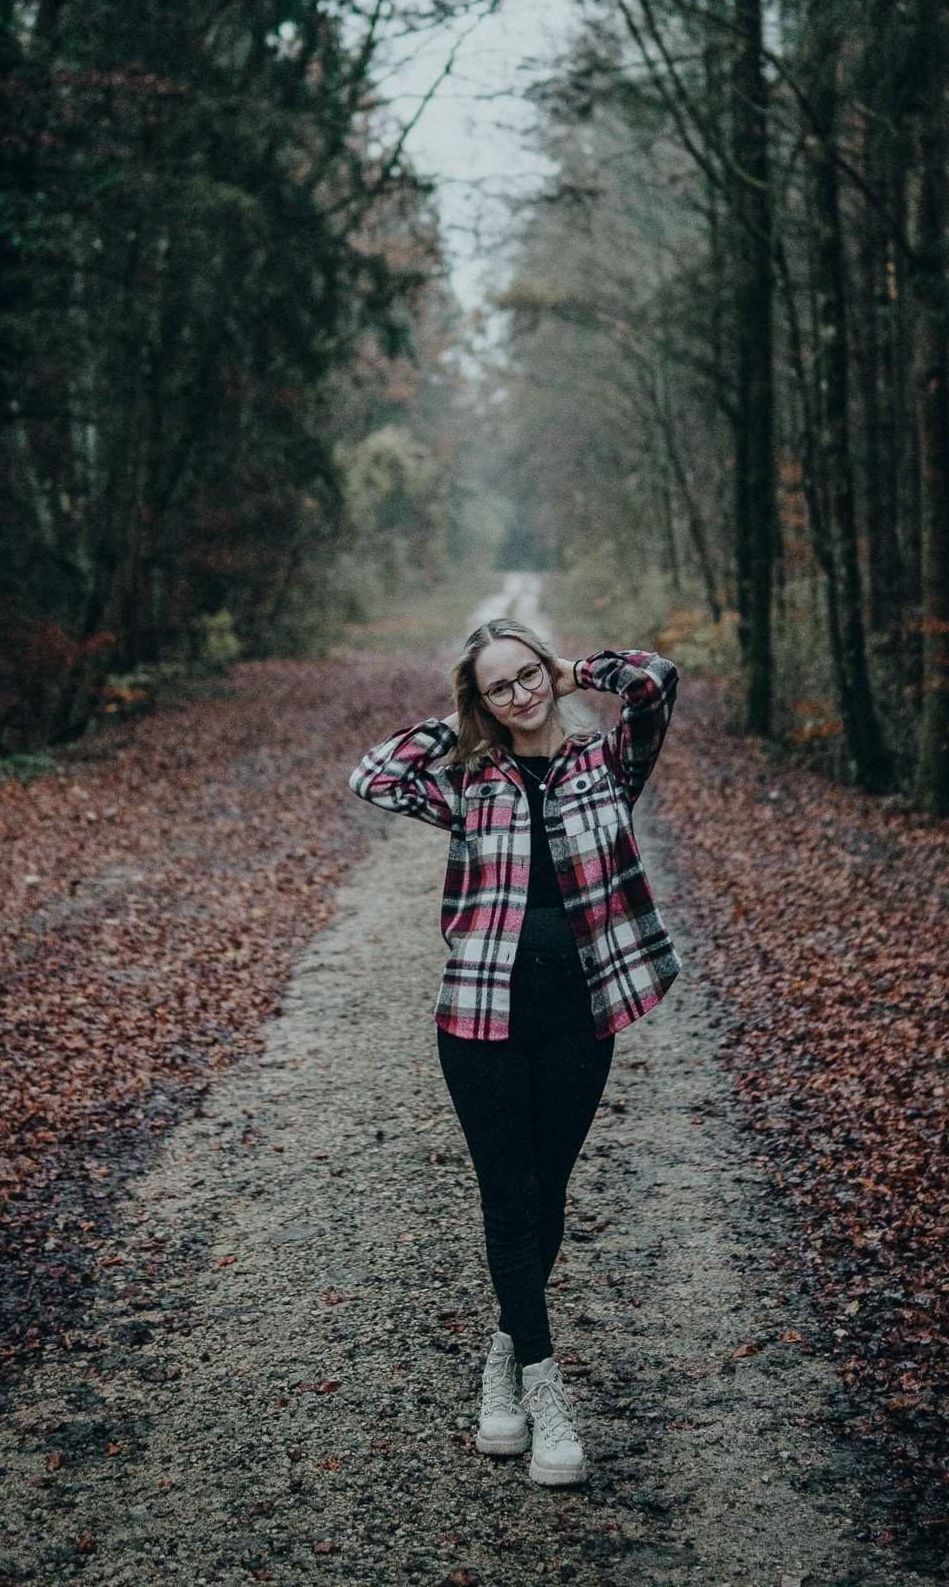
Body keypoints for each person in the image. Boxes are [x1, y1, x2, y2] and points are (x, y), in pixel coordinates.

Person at [349, 618, 680, 1486]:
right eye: (499, 687)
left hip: (580, 1010)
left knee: (549, 1187)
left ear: (549, 671)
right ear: (482, 703)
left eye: (528, 676)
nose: (520, 695)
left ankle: (503, 1353)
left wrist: (574, 670)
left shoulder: (606, 762)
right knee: (509, 1195)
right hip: (478, 1017)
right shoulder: (465, 778)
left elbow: (654, 681)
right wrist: (463, 721)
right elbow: (372, 774)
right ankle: (543, 1389)